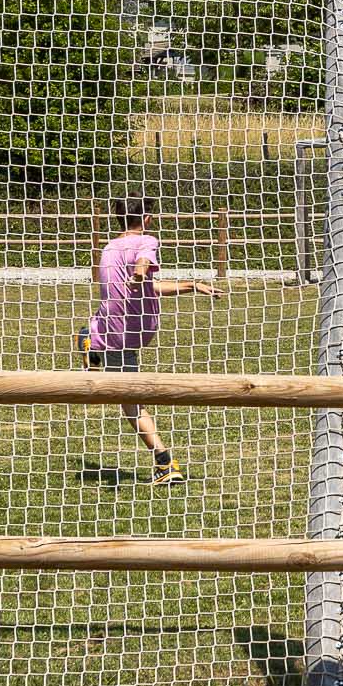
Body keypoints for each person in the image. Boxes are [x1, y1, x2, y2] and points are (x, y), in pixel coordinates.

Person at [85, 197, 219, 485]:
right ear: (146, 219)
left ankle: (164, 462)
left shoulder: (109, 248)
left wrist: (191, 286)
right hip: (130, 333)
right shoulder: (146, 240)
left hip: (114, 331)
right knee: (131, 403)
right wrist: (139, 272)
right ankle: (165, 463)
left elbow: (150, 286)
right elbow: (144, 262)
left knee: (129, 402)